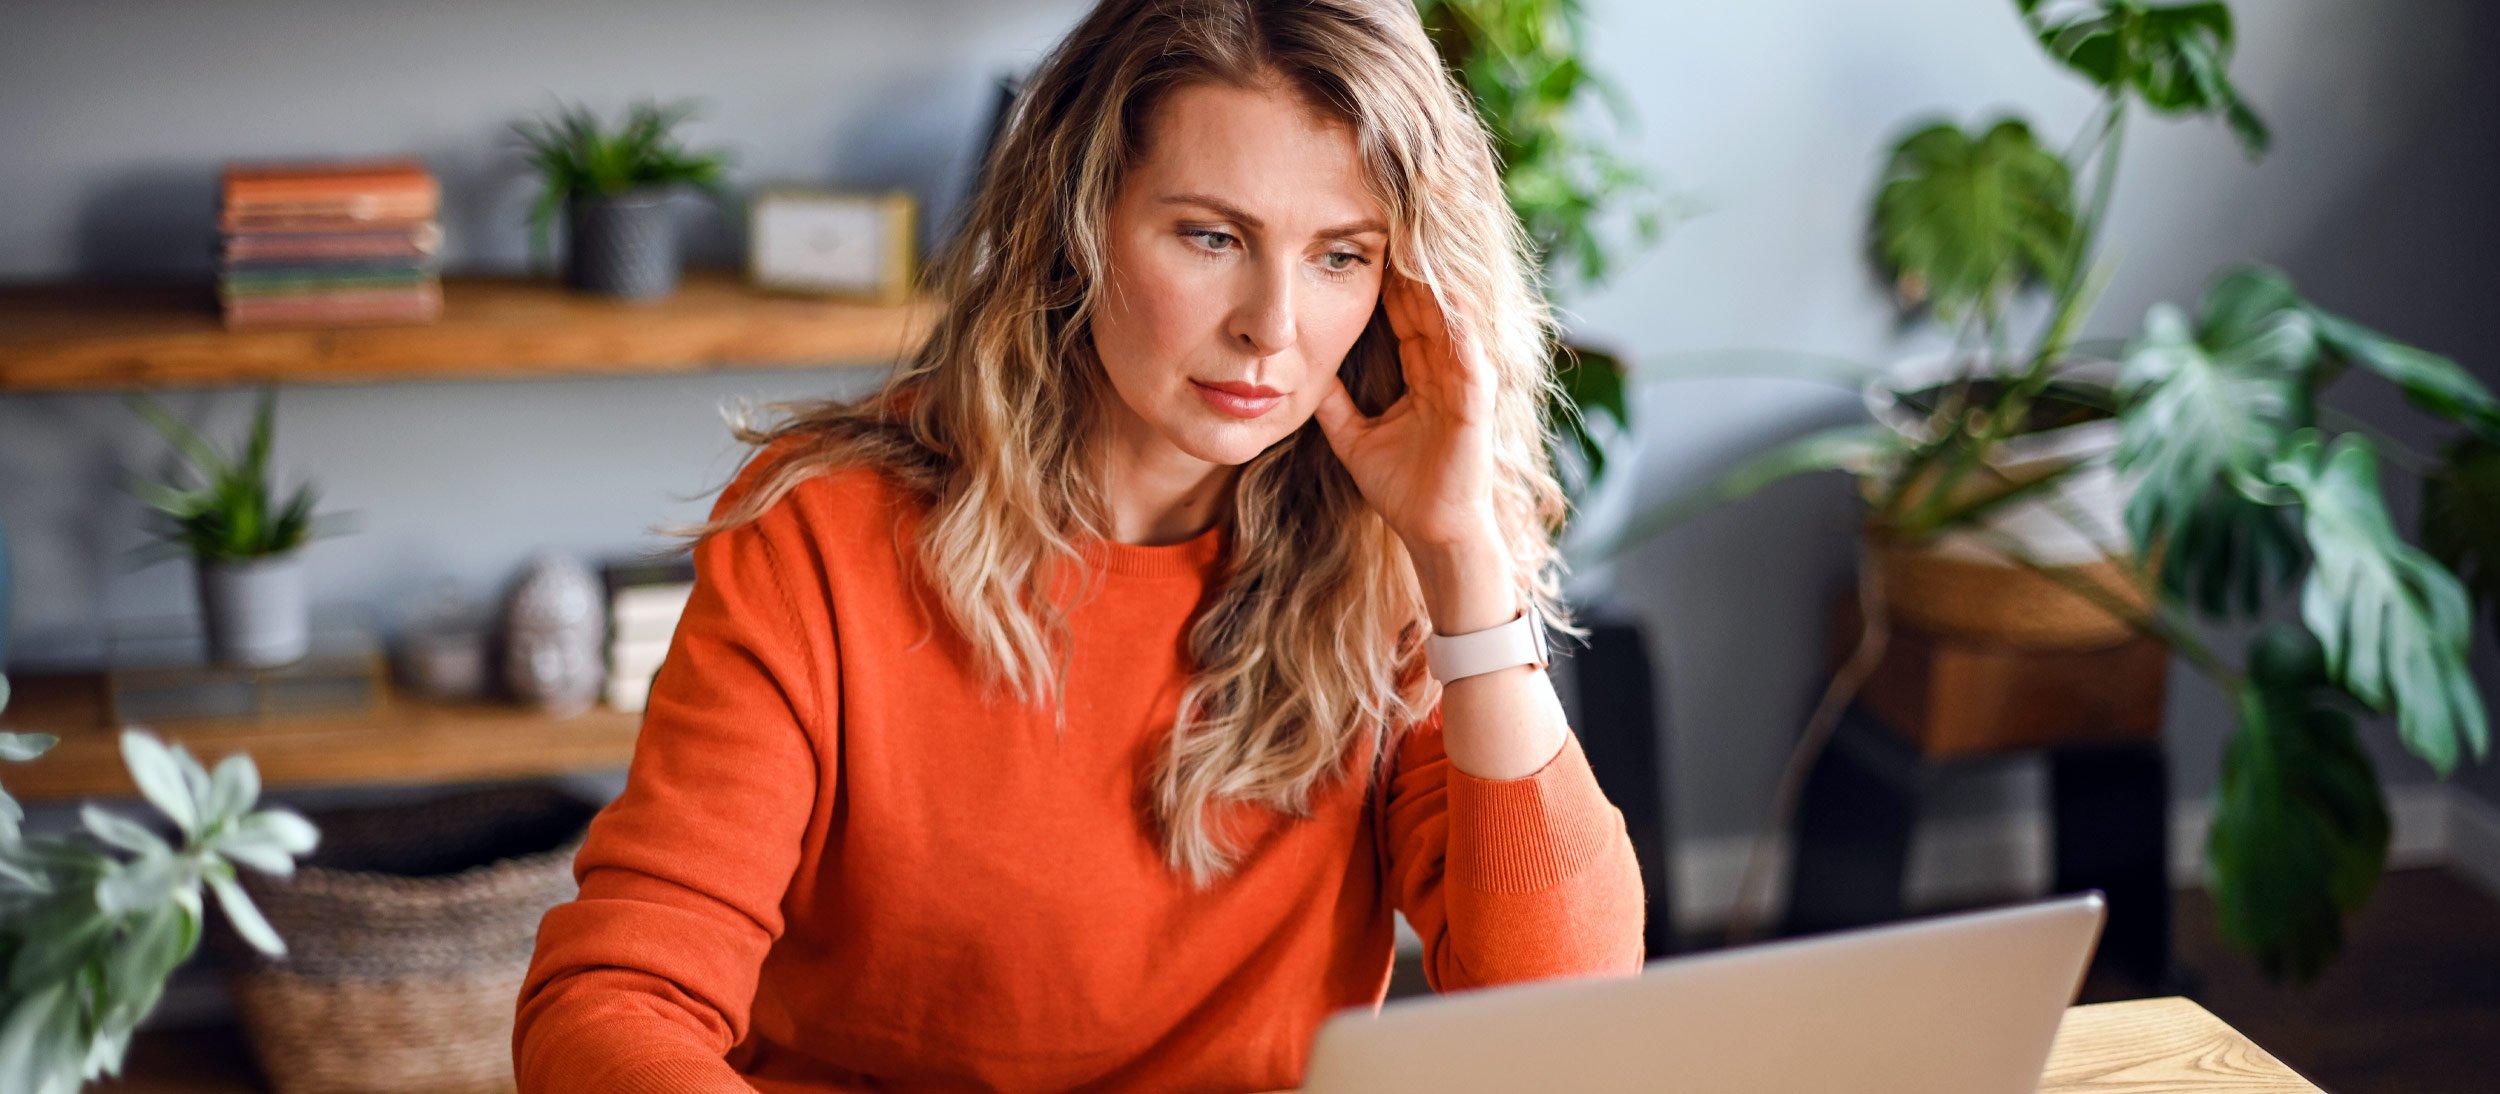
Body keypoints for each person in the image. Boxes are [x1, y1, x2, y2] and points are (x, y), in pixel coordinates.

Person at [511, 0, 1644, 1089]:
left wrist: (1459, 554)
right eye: (1211, 236)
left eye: (1340, 256)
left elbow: (1566, 1012)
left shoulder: (1389, 566)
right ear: (1077, 217)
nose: (1272, 325)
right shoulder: (821, 536)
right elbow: (615, 997)